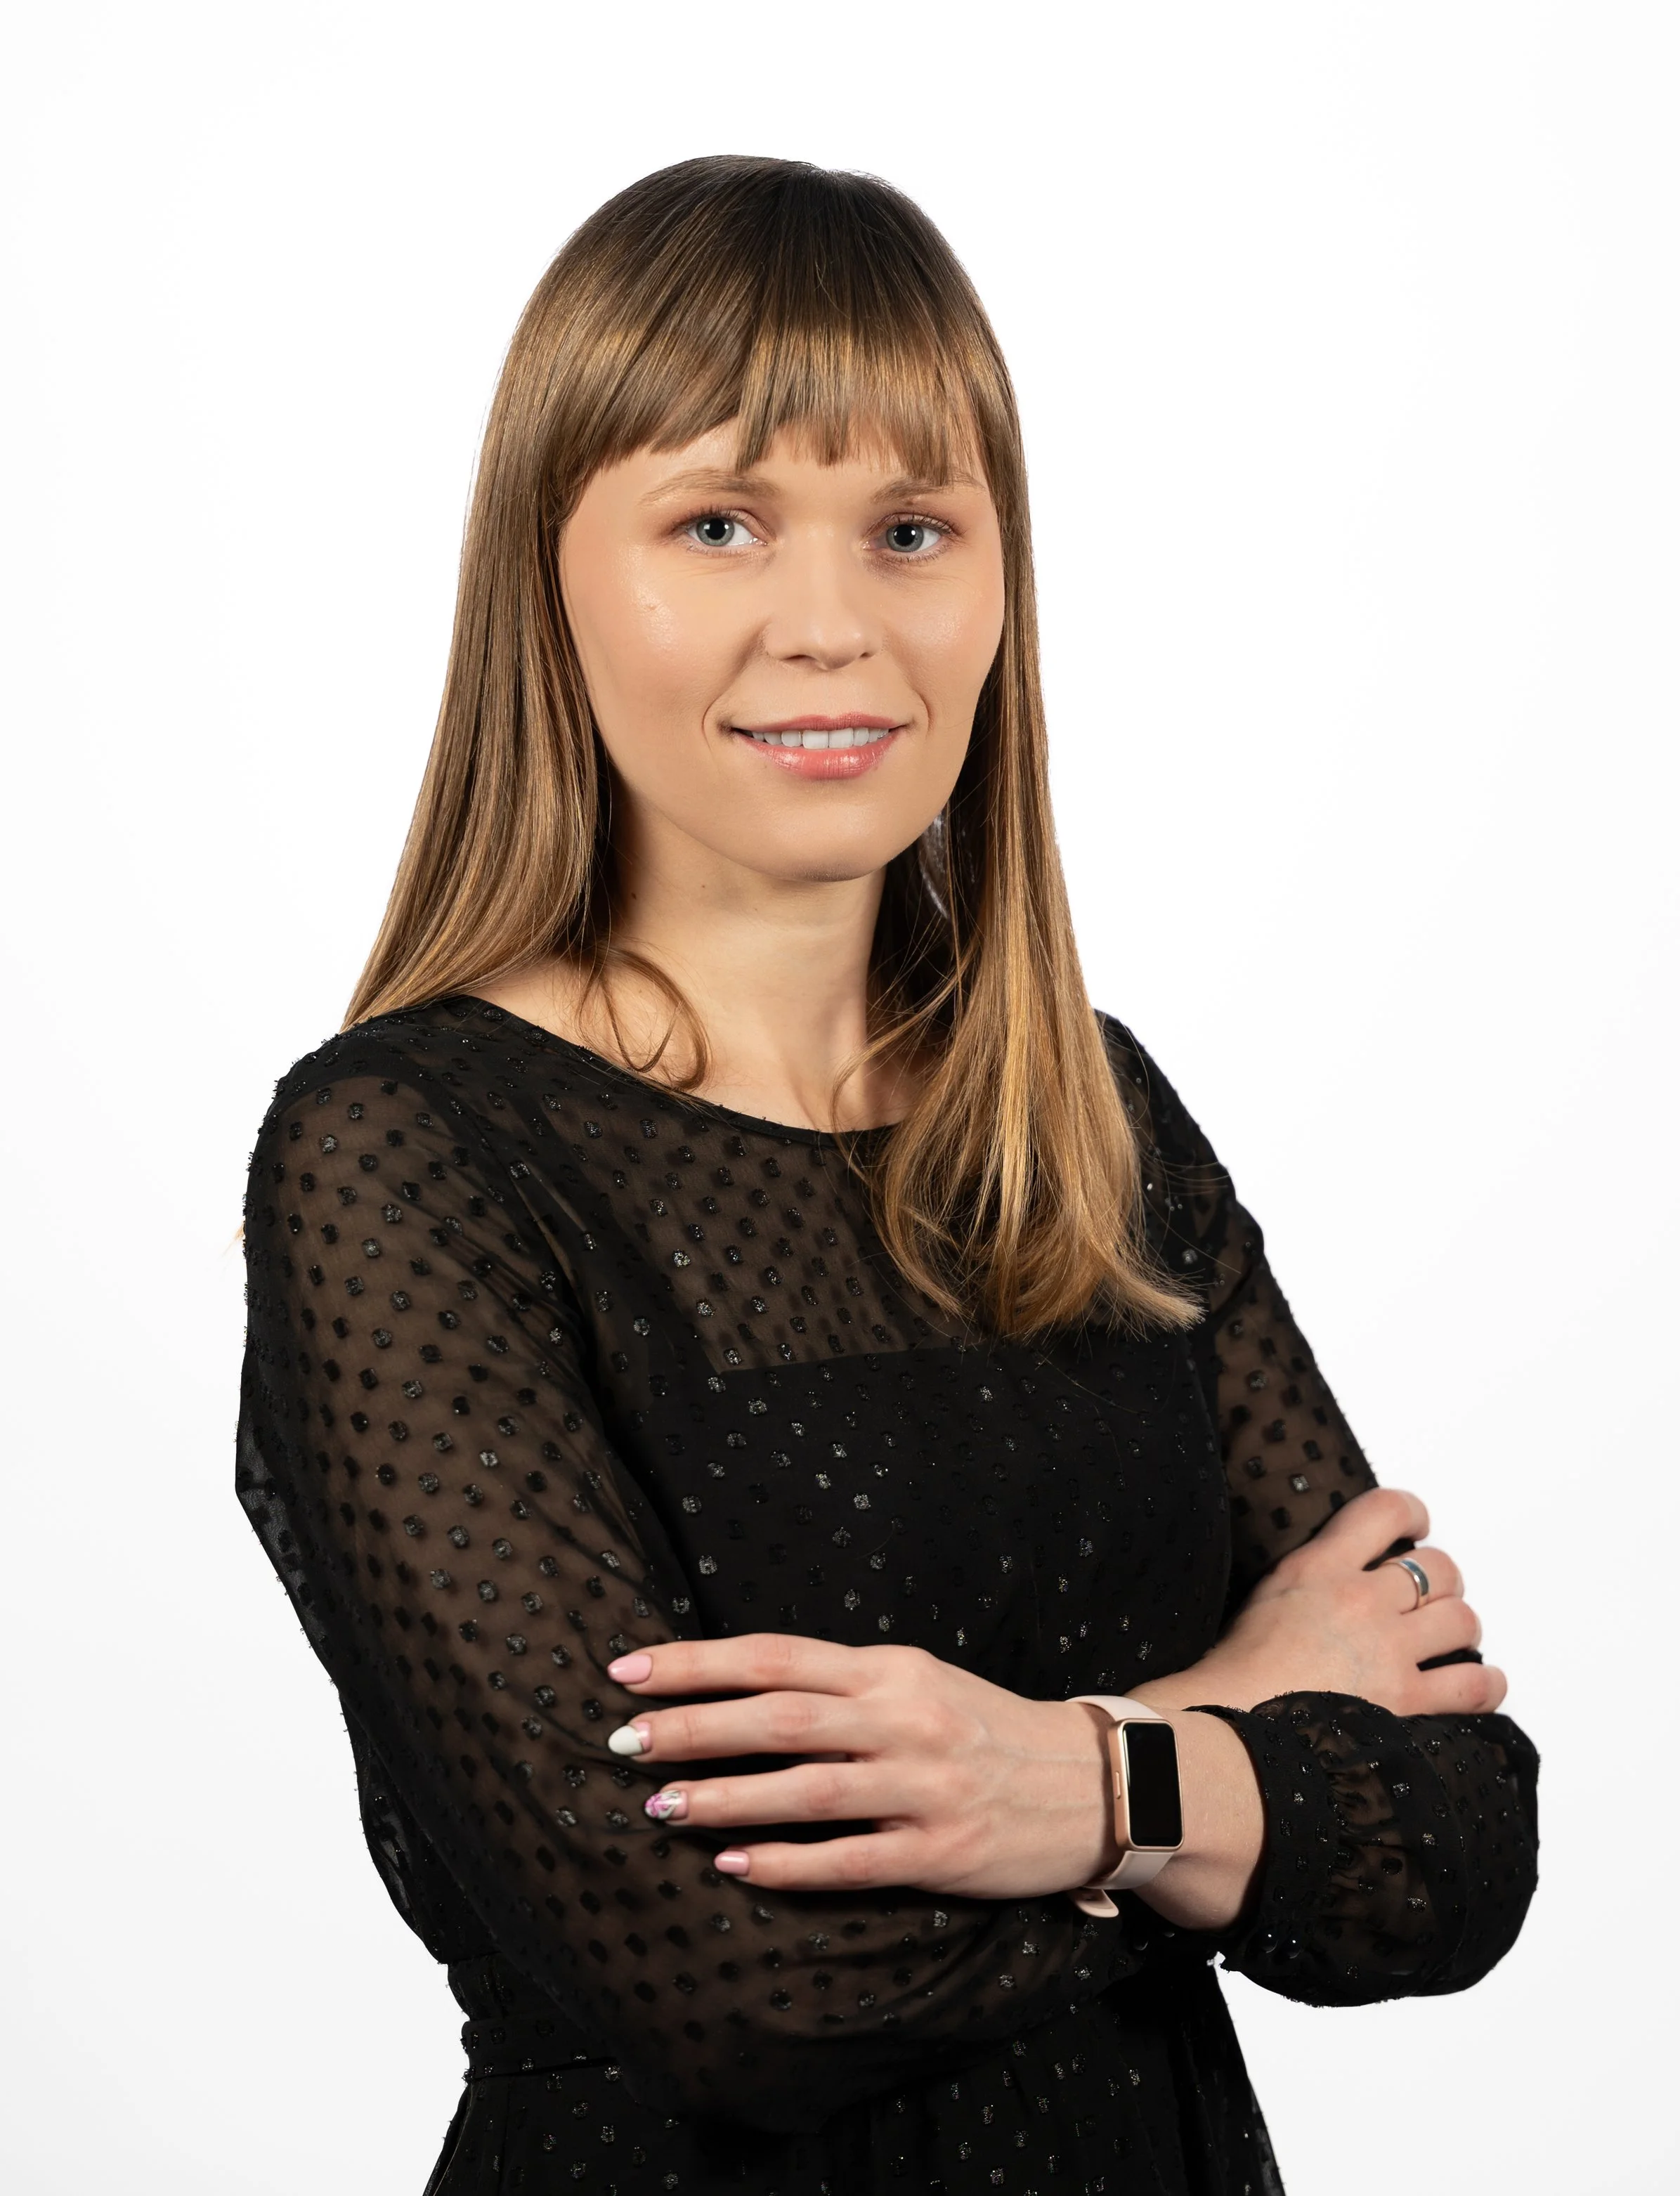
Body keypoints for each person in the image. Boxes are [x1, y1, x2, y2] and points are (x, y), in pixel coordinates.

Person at [236, 155, 1537, 2196]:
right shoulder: (407, 1155)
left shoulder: (1087, 1120)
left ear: (997, 576)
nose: (831, 624)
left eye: (911, 526)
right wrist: (1177, 1750)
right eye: (719, 522)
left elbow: (1452, 1846)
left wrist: (1074, 1780)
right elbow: (737, 1984)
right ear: (546, 578)